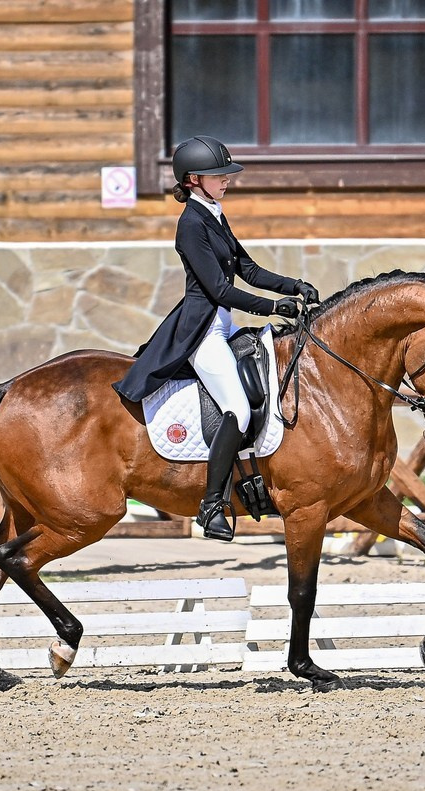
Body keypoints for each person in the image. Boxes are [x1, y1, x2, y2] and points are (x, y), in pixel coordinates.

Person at [112, 135, 319, 541]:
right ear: (193, 180)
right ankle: (210, 506)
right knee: (237, 409)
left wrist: (294, 285)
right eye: (218, 175)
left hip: (224, 326)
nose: (227, 180)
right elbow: (220, 291)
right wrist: (273, 307)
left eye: (226, 175)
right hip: (202, 332)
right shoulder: (190, 224)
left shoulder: (213, 214)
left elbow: (248, 269)